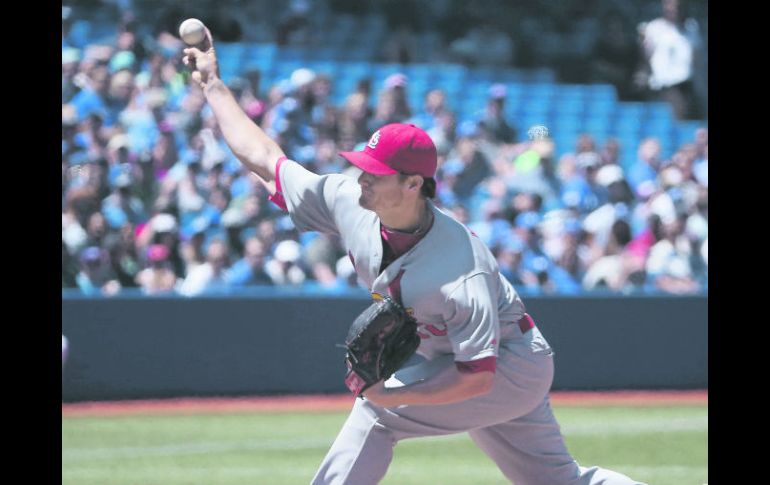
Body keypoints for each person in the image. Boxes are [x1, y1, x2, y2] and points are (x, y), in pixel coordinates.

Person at [182, 28, 645, 485]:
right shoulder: (350, 200)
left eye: (375, 173)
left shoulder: (460, 269)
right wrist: (214, 87)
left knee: (376, 415)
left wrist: (388, 394)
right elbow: (265, 158)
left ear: (413, 185)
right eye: (363, 166)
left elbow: (476, 379)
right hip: (464, 359)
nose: (362, 177)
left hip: (507, 366)